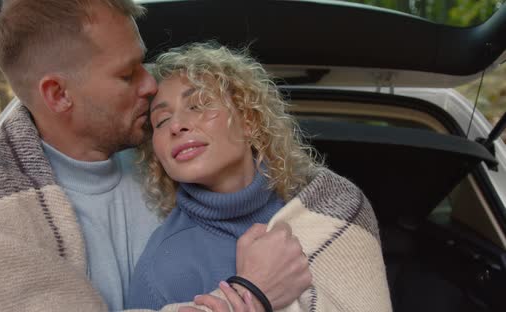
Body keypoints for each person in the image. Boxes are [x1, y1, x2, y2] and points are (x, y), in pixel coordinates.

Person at [0, 1, 311, 311]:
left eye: (141, 62)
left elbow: (295, 179)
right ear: (59, 95)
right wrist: (249, 296)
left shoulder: (167, 149)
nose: (150, 83)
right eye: (127, 75)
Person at [126, 43, 392, 312]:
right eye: (160, 121)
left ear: (249, 121)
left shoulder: (334, 206)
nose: (175, 125)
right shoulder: (160, 268)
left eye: (199, 104)